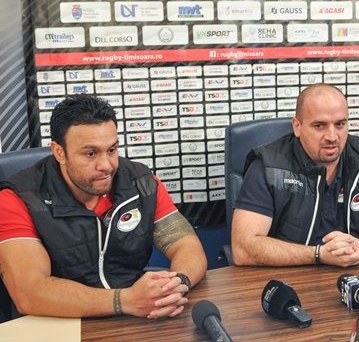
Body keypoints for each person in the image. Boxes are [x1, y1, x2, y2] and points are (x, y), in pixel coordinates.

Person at [0, 94, 207, 319]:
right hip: (59, 321)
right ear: (59, 152)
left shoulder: (141, 183)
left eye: (112, 150)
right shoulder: (18, 198)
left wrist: (176, 285)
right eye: (91, 154)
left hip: (137, 315)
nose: (106, 165)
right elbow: (30, 292)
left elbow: (186, 245)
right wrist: (124, 300)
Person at [231, 83, 359, 267]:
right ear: (297, 126)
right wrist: (319, 255)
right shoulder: (268, 166)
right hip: (290, 279)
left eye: (340, 124)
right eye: (319, 126)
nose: (332, 136)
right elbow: (243, 248)